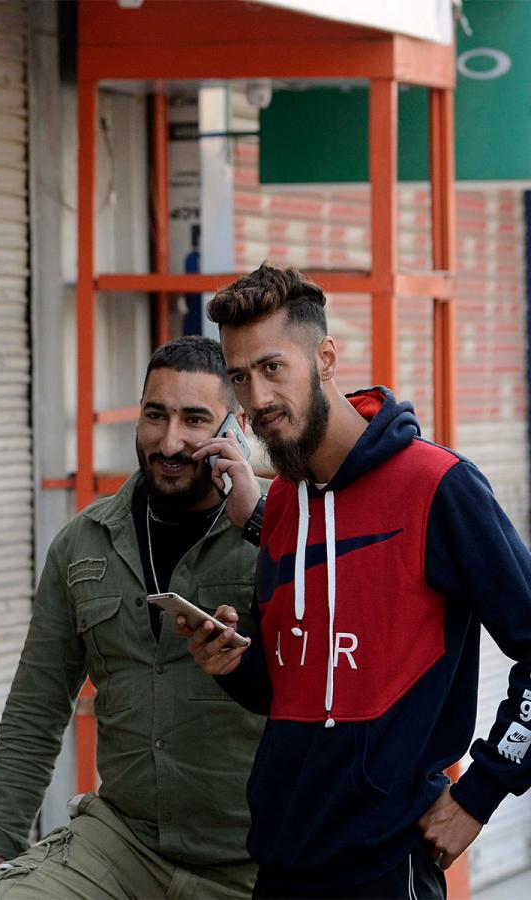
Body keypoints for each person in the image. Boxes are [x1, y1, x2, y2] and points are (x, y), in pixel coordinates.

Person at [183, 263, 531, 899]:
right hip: (281, 860)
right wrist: (233, 664)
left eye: (272, 367)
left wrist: (481, 792)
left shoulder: (438, 487)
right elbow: (295, 689)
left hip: (384, 867)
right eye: (239, 377)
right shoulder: (281, 505)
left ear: (325, 358)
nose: (256, 397)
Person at [0, 336, 267, 899]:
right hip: (124, 844)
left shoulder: (282, 532)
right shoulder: (84, 543)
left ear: (235, 428)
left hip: (257, 857)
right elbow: (38, 704)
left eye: (195, 419)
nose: (169, 442)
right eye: (156, 415)